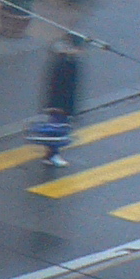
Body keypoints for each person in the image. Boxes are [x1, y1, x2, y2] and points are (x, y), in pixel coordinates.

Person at [34, 30, 85, 175]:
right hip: (61, 105)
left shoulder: (64, 61)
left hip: (58, 104)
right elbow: (65, 88)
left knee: (56, 130)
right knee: (58, 131)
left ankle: (50, 155)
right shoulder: (67, 63)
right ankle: (52, 155)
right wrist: (61, 107)